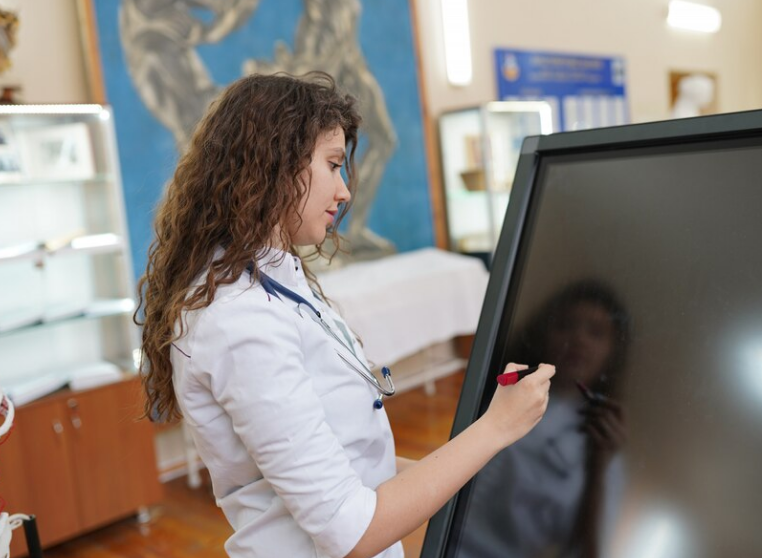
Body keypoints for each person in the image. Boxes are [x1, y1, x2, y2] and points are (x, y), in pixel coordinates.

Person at [135, 72, 555, 558]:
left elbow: (354, 463)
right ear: (276, 163)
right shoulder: (237, 322)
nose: (345, 191)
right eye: (333, 165)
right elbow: (350, 532)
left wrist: (468, 472)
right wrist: (494, 429)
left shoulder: (280, 280)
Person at [458, 279, 631, 558]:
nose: (579, 339)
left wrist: (597, 471)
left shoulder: (604, 450)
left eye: (596, 332)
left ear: (614, 352)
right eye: (565, 325)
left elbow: (589, 551)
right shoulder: (495, 391)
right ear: (543, 332)